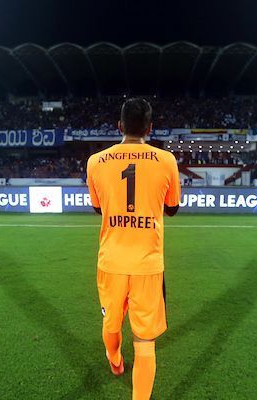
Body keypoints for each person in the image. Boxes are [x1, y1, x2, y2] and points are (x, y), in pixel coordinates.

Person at [86, 98, 180, 400]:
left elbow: (98, 208)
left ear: (120, 126)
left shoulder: (95, 162)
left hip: (111, 261)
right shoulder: (166, 161)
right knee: (144, 341)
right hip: (147, 265)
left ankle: (114, 359)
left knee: (110, 323)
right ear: (150, 128)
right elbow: (173, 208)